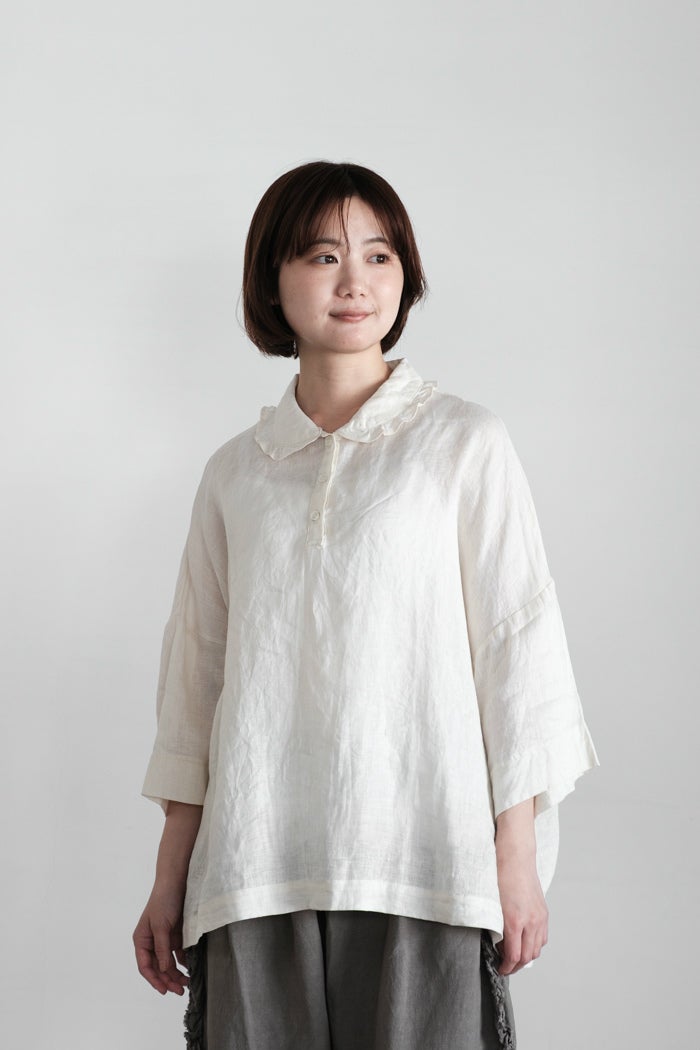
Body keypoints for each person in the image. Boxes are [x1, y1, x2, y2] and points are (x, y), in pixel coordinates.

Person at [133, 160, 600, 1049]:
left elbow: (518, 650)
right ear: (272, 279)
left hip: (426, 863)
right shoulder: (236, 473)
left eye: (379, 255)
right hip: (256, 866)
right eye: (322, 255)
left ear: (405, 275)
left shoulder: (463, 442)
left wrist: (517, 863)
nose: (355, 281)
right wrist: (169, 880)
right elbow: (197, 683)